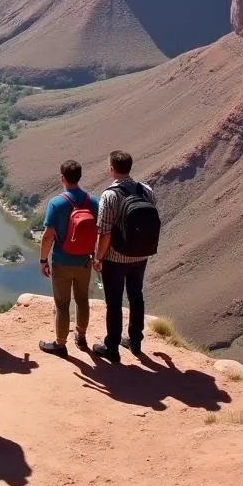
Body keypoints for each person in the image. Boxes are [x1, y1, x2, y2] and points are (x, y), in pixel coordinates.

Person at [92, 151, 160, 363]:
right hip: (141, 254)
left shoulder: (110, 195)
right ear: (129, 167)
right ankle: (135, 341)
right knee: (136, 296)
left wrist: (98, 257)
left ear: (111, 169)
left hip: (116, 257)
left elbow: (104, 232)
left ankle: (111, 346)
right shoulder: (146, 190)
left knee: (113, 302)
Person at [38, 159, 99, 356]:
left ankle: (60, 343)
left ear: (62, 178)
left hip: (62, 261)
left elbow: (48, 236)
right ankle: (81, 337)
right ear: (79, 177)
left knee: (62, 304)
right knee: (82, 299)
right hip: (84, 261)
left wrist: (42, 260)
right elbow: (97, 232)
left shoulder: (56, 203)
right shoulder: (92, 202)